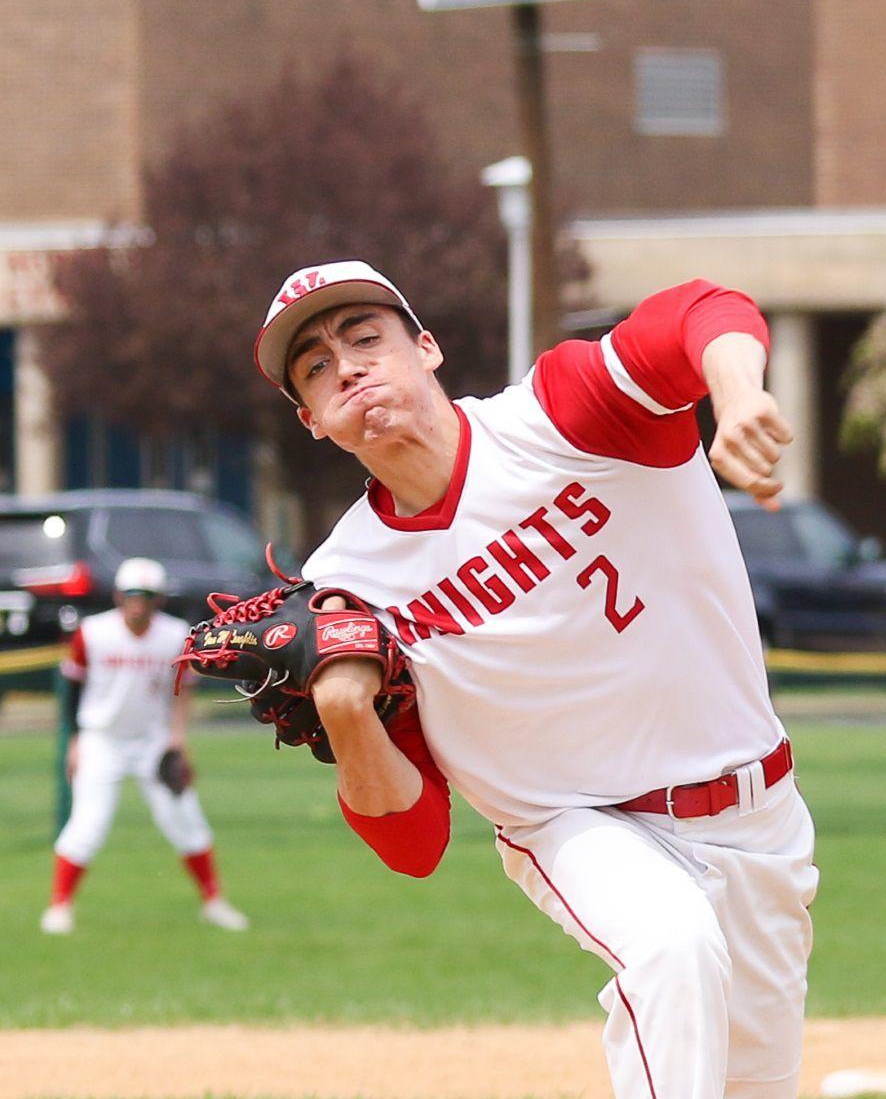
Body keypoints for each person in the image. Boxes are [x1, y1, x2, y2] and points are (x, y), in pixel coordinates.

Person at [255, 261, 818, 1098]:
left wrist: (735, 395)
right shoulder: (348, 585)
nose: (347, 367)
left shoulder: (559, 416)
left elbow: (703, 307)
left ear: (427, 348)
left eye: (366, 338)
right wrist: (346, 716)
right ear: (312, 419)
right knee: (671, 945)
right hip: (576, 826)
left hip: (758, 816)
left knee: (748, 1082)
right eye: (316, 366)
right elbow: (412, 844)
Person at [40, 557, 249, 935]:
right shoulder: (93, 632)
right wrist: (75, 741)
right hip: (102, 739)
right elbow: (72, 688)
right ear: (119, 596)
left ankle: (214, 902)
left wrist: (178, 739)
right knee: (88, 825)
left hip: (154, 741)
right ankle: (59, 907)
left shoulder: (174, 634)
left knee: (185, 820)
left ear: (159, 600)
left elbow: (184, 688)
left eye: (147, 595)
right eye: (133, 594)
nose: (139, 602)